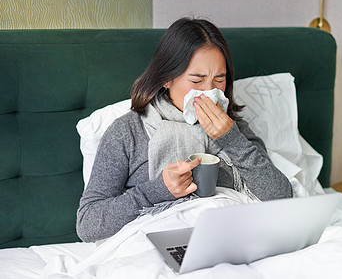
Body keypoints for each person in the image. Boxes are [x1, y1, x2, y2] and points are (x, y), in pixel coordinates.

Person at [76, 17, 293, 243]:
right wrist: (157, 190)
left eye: (219, 79)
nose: (209, 91)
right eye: (197, 81)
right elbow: (88, 224)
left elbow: (281, 198)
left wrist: (231, 139)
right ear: (167, 78)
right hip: (159, 245)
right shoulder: (128, 132)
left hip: (232, 239)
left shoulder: (233, 129)